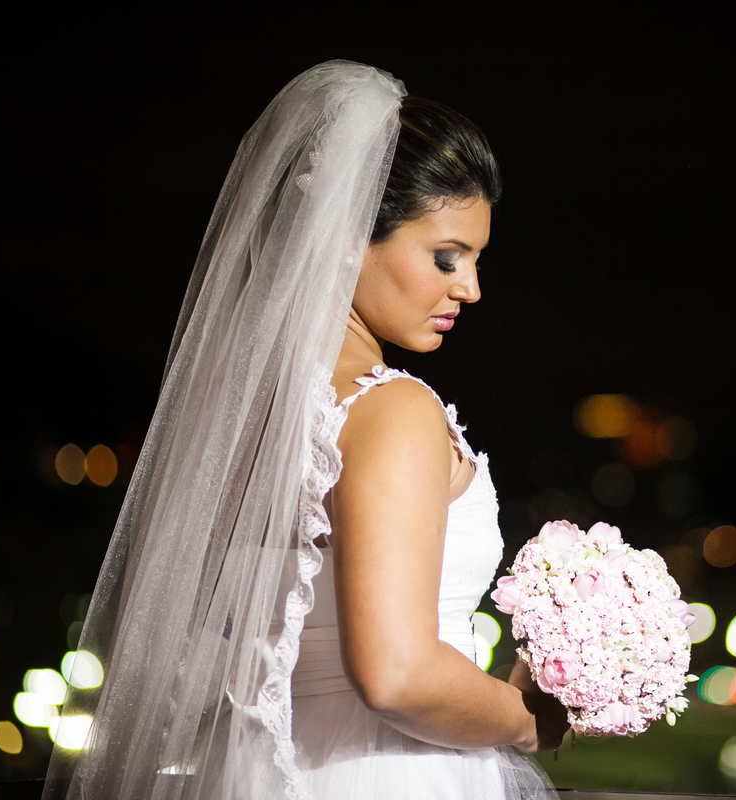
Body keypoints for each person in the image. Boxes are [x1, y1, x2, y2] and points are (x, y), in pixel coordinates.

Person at [43, 60, 564, 800]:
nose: (470, 288)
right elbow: (399, 674)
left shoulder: (248, 420)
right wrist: (526, 719)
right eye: (446, 257)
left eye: (477, 261)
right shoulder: (392, 413)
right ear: (349, 234)